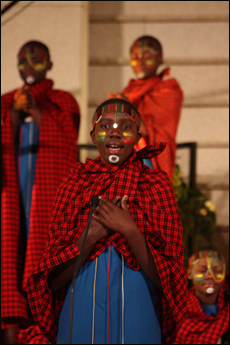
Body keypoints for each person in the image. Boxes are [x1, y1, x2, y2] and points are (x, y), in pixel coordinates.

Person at [26, 98, 187, 344]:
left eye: (125, 126)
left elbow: (171, 282)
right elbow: (53, 281)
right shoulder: (74, 184)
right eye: (105, 127)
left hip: (138, 318)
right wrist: (89, 237)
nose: (114, 132)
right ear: (93, 136)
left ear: (137, 135)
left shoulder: (156, 185)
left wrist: (129, 229)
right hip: (80, 316)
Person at [1, 40, 80, 344]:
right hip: (13, 193)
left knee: (42, 256)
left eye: (37, 60)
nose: (30, 66)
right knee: (12, 256)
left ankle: (45, 330)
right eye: (24, 60)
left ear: (50, 65)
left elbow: (66, 141)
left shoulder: (62, 100)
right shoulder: (7, 101)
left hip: (45, 196)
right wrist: (14, 113)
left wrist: (34, 107)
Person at [108, 35, 183, 180]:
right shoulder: (129, 91)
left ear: (160, 58)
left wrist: (126, 108)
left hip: (149, 163)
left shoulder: (169, 90)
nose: (140, 61)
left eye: (147, 55)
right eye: (135, 56)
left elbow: (155, 132)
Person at [174, 249, 229, 344]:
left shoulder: (226, 308)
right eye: (202, 271)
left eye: (217, 271)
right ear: (189, 274)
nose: (209, 276)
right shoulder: (178, 310)